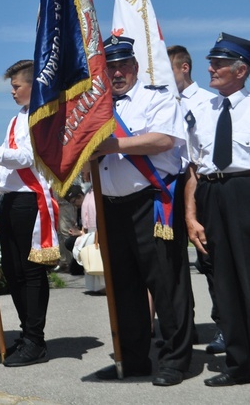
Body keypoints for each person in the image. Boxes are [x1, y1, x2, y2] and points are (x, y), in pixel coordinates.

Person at [91, 35, 193, 386]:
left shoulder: (157, 98)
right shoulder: (98, 107)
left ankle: (174, 360)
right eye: (111, 68)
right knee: (124, 288)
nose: (117, 73)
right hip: (111, 207)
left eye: (122, 66)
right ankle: (133, 359)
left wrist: (112, 143)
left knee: (166, 284)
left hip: (150, 203)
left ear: (135, 67)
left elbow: (163, 139)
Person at [184, 33, 250, 387]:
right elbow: (194, 168)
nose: (211, 68)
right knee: (224, 283)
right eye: (212, 62)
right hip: (211, 195)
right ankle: (240, 364)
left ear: (241, 70)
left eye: (219, 63)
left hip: (245, 193)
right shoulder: (200, 111)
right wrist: (191, 216)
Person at [0, 59, 60, 367]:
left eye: (17, 86)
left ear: (34, 85)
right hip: (12, 201)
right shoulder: (16, 118)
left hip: (32, 200)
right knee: (14, 273)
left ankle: (36, 340)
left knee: (31, 273)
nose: (13, 92)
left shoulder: (43, 116)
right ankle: (27, 333)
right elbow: (5, 167)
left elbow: (27, 157)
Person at [169, 44, 224, 355]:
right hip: (166, 185)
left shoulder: (208, 102)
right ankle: (180, 326)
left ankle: (225, 325)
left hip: (197, 182)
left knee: (210, 259)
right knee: (171, 261)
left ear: (184, 68)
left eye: (168, 70)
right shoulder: (163, 103)